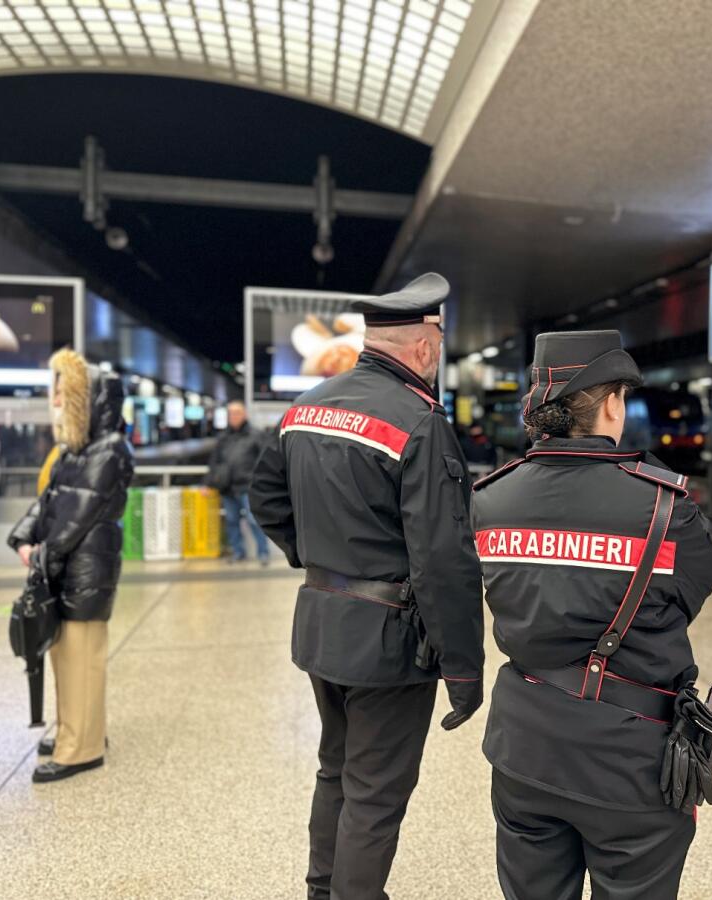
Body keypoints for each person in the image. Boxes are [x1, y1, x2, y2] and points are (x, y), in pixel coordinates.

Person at [250, 272, 485, 900]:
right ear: (426, 346)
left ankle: (322, 890)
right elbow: (444, 557)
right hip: (389, 643)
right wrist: (463, 669)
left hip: (321, 625)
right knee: (377, 793)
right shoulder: (419, 421)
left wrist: (319, 559)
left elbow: (264, 496)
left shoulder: (307, 406)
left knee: (337, 771)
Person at [471, 330, 712, 900]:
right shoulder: (665, 507)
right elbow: (689, 597)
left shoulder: (490, 498)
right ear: (612, 402)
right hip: (630, 760)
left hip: (523, 750)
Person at [9, 349, 134, 783]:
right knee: (66, 655)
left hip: (86, 572)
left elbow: (75, 518)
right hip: (68, 569)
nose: (56, 400)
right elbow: (50, 502)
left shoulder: (109, 450)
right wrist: (23, 536)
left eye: (64, 393)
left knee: (81, 658)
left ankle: (82, 748)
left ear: (87, 400)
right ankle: (75, 730)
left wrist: (41, 552)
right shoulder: (76, 449)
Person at [208, 400, 270, 565]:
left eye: (237, 413)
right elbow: (214, 461)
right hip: (227, 487)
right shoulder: (223, 438)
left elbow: (266, 460)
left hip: (248, 486)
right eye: (231, 413)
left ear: (245, 414)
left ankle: (263, 552)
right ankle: (238, 552)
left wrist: (261, 482)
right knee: (232, 521)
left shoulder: (256, 435)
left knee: (253, 520)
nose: (234, 416)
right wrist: (208, 483)